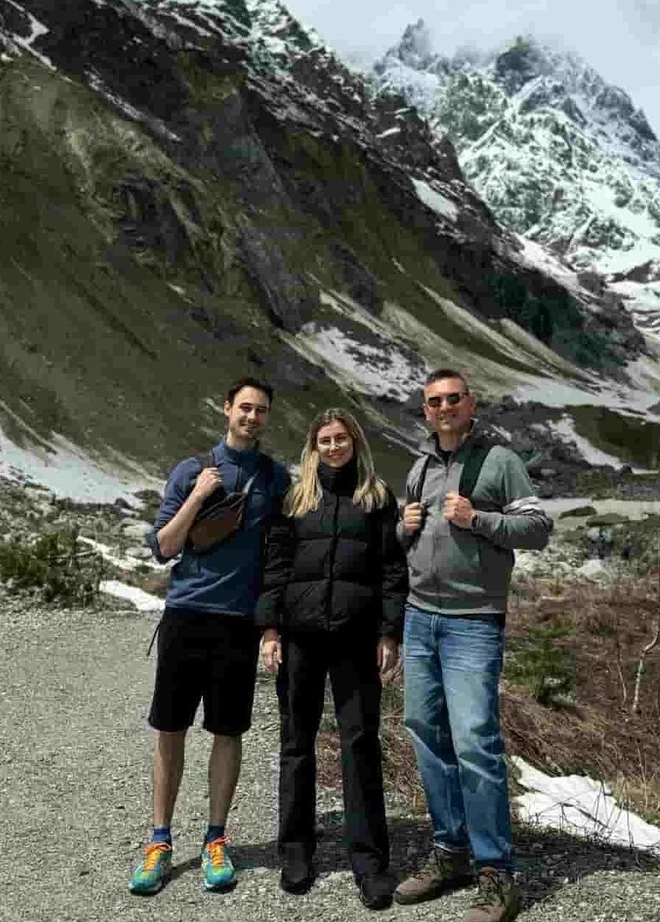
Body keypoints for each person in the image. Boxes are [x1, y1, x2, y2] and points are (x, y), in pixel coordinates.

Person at [393, 369, 552, 922]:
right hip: (419, 619)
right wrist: (401, 527)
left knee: (475, 742)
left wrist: (478, 517)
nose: (443, 408)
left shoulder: (499, 461)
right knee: (425, 733)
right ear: (425, 408)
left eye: (453, 399)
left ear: (470, 402)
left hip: (472, 623)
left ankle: (496, 872)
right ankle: (450, 851)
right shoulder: (419, 468)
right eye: (434, 401)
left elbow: (537, 527)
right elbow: (410, 540)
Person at [128, 377, 290, 896]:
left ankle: (216, 839)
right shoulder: (191, 470)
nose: (252, 417)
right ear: (226, 410)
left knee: (227, 731)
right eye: (245, 408)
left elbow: (284, 551)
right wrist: (198, 496)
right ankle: (160, 840)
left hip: (238, 624)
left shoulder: (274, 478)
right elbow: (164, 547)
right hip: (186, 615)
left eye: (261, 411)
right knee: (170, 729)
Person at [257, 408, 407, 910]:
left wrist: (389, 631)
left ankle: (369, 863)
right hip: (300, 637)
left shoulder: (376, 498)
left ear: (355, 442)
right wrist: (271, 628)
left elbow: (391, 569)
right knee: (296, 744)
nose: (333, 447)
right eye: (324, 440)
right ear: (313, 446)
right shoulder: (296, 498)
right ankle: (296, 853)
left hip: (356, 638)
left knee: (360, 744)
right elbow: (276, 565)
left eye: (341, 438)